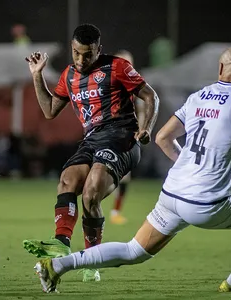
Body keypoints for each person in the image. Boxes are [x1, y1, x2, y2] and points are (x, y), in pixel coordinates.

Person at [32, 46, 231, 293]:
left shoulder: (199, 97)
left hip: (172, 194)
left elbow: (163, 137)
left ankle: (57, 265)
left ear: (220, 68)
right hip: (209, 205)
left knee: (134, 250)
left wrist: (188, 168)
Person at [23, 24, 160, 282]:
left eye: (88, 54)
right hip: (92, 140)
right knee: (67, 180)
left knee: (90, 193)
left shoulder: (117, 67)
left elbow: (151, 96)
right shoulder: (69, 75)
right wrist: (37, 75)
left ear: (99, 50)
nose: (81, 59)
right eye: (76, 53)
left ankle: (91, 259)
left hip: (122, 138)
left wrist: (146, 129)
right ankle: (61, 244)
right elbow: (50, 110)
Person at [110, 49, 145, 225]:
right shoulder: (107, 83)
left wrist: (142, 129)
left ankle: (115, 211)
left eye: (129, 62)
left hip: (127, 136)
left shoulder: (135, 85)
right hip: (107, 135)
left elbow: (142, 109)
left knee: (124, 177)